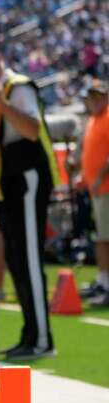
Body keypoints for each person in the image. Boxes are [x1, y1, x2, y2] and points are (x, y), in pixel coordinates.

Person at [0, 41, 60, 359]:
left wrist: (0, 103)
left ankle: (42, 339)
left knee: (29, 260)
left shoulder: (17, 87)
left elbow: (31, 129)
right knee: (17, 261)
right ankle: (30, 334)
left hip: (27, 177)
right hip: (9, 184)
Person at [79, 80, 109, 306]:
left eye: (99, 97)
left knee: (105, 238)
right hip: (96, 189)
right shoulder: (92, 120)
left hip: (106, 188)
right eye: (92, 97)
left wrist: (99, 177)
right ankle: (102, 280)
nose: (95, 101)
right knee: (101, 238)